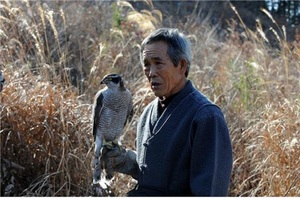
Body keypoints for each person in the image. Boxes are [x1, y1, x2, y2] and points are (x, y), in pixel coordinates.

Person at [101, 28, 233, 196]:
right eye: (146, 64)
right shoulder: (148, 113)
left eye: (158, 63)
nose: (151, 72)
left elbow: (210, 191)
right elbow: (160, 175)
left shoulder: (206, 117)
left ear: (182, 65)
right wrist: (127, 162)